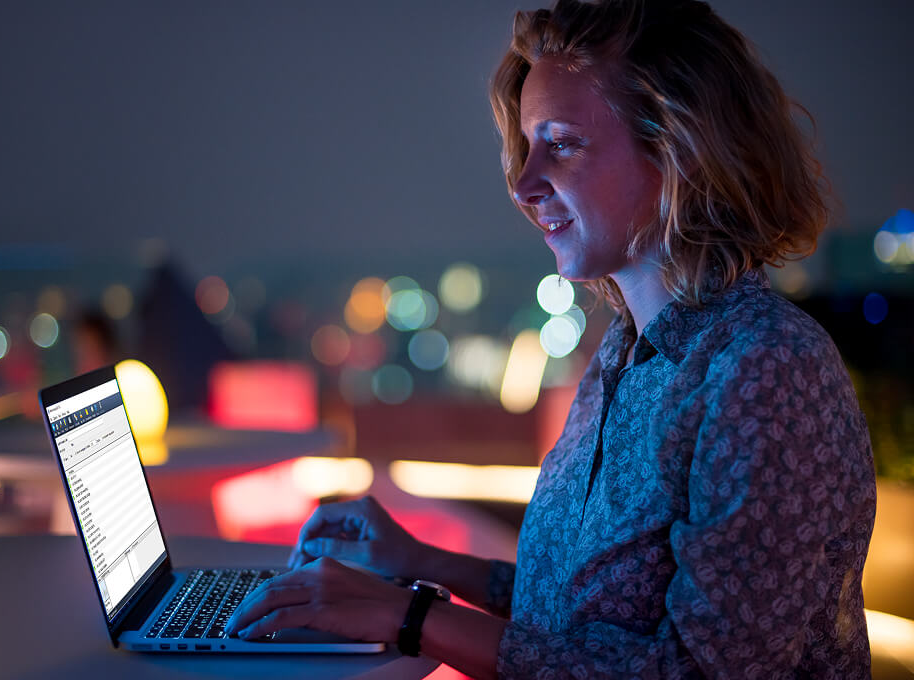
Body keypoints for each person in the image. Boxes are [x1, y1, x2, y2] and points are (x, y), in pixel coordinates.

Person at [224, 0, 876, 677]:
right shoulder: (624, 355)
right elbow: (579, 613)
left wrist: (408, 617)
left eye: (561, 143)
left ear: (681, 151)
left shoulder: (767, 371)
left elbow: (697, 672)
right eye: (526, 147)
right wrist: (417, 562)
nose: (522, 184)